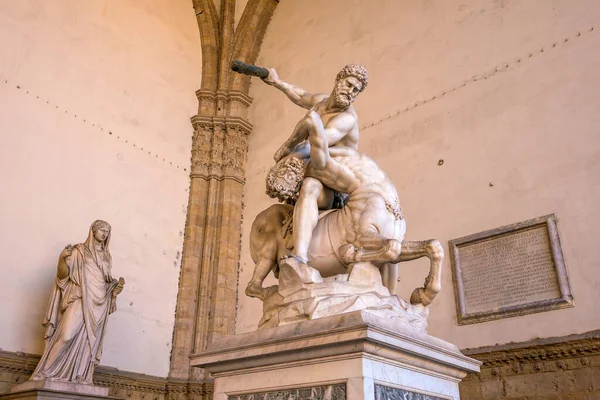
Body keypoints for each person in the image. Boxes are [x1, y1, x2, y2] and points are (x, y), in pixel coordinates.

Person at [262, 64, 368, 265]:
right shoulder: (321, 102)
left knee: (311, 185)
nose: (350, 92)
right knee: (309, 177)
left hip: (336, 184)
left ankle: (300, 256)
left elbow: (317, 143)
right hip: (316, 169)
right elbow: (301, 96)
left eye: (356, 90)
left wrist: (288, 154)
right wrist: (277, 82)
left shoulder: (346, 119)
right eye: (349, 84)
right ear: (339, 80)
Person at [31, 220, 124, 385]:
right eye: (102, 230)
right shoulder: (79, 251)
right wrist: (61, 259)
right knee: (66, 335)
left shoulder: (107, 256)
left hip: (99, 304)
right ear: (93, 230)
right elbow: (63, 276)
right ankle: (45, 370)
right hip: (80, 298)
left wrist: (114, 291)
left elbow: (104, 281)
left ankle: (81, 375)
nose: (104, 234)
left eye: (107, 232)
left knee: (89, 341)